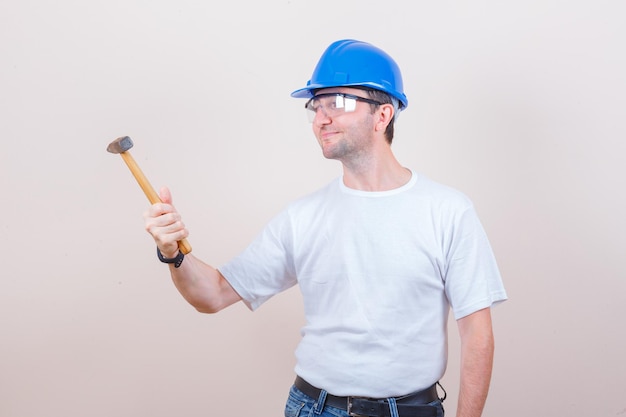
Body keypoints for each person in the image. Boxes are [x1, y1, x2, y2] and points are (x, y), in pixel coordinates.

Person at [143, 39, 507, 417]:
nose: (321, 118)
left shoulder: (447, 211)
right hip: (313, 408)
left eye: (338, 103)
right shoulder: (303, 217)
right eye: (316, 106)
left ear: (383, 115)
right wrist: (173, 253)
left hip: (412, 409)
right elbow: (213, 295)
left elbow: (477, 335)